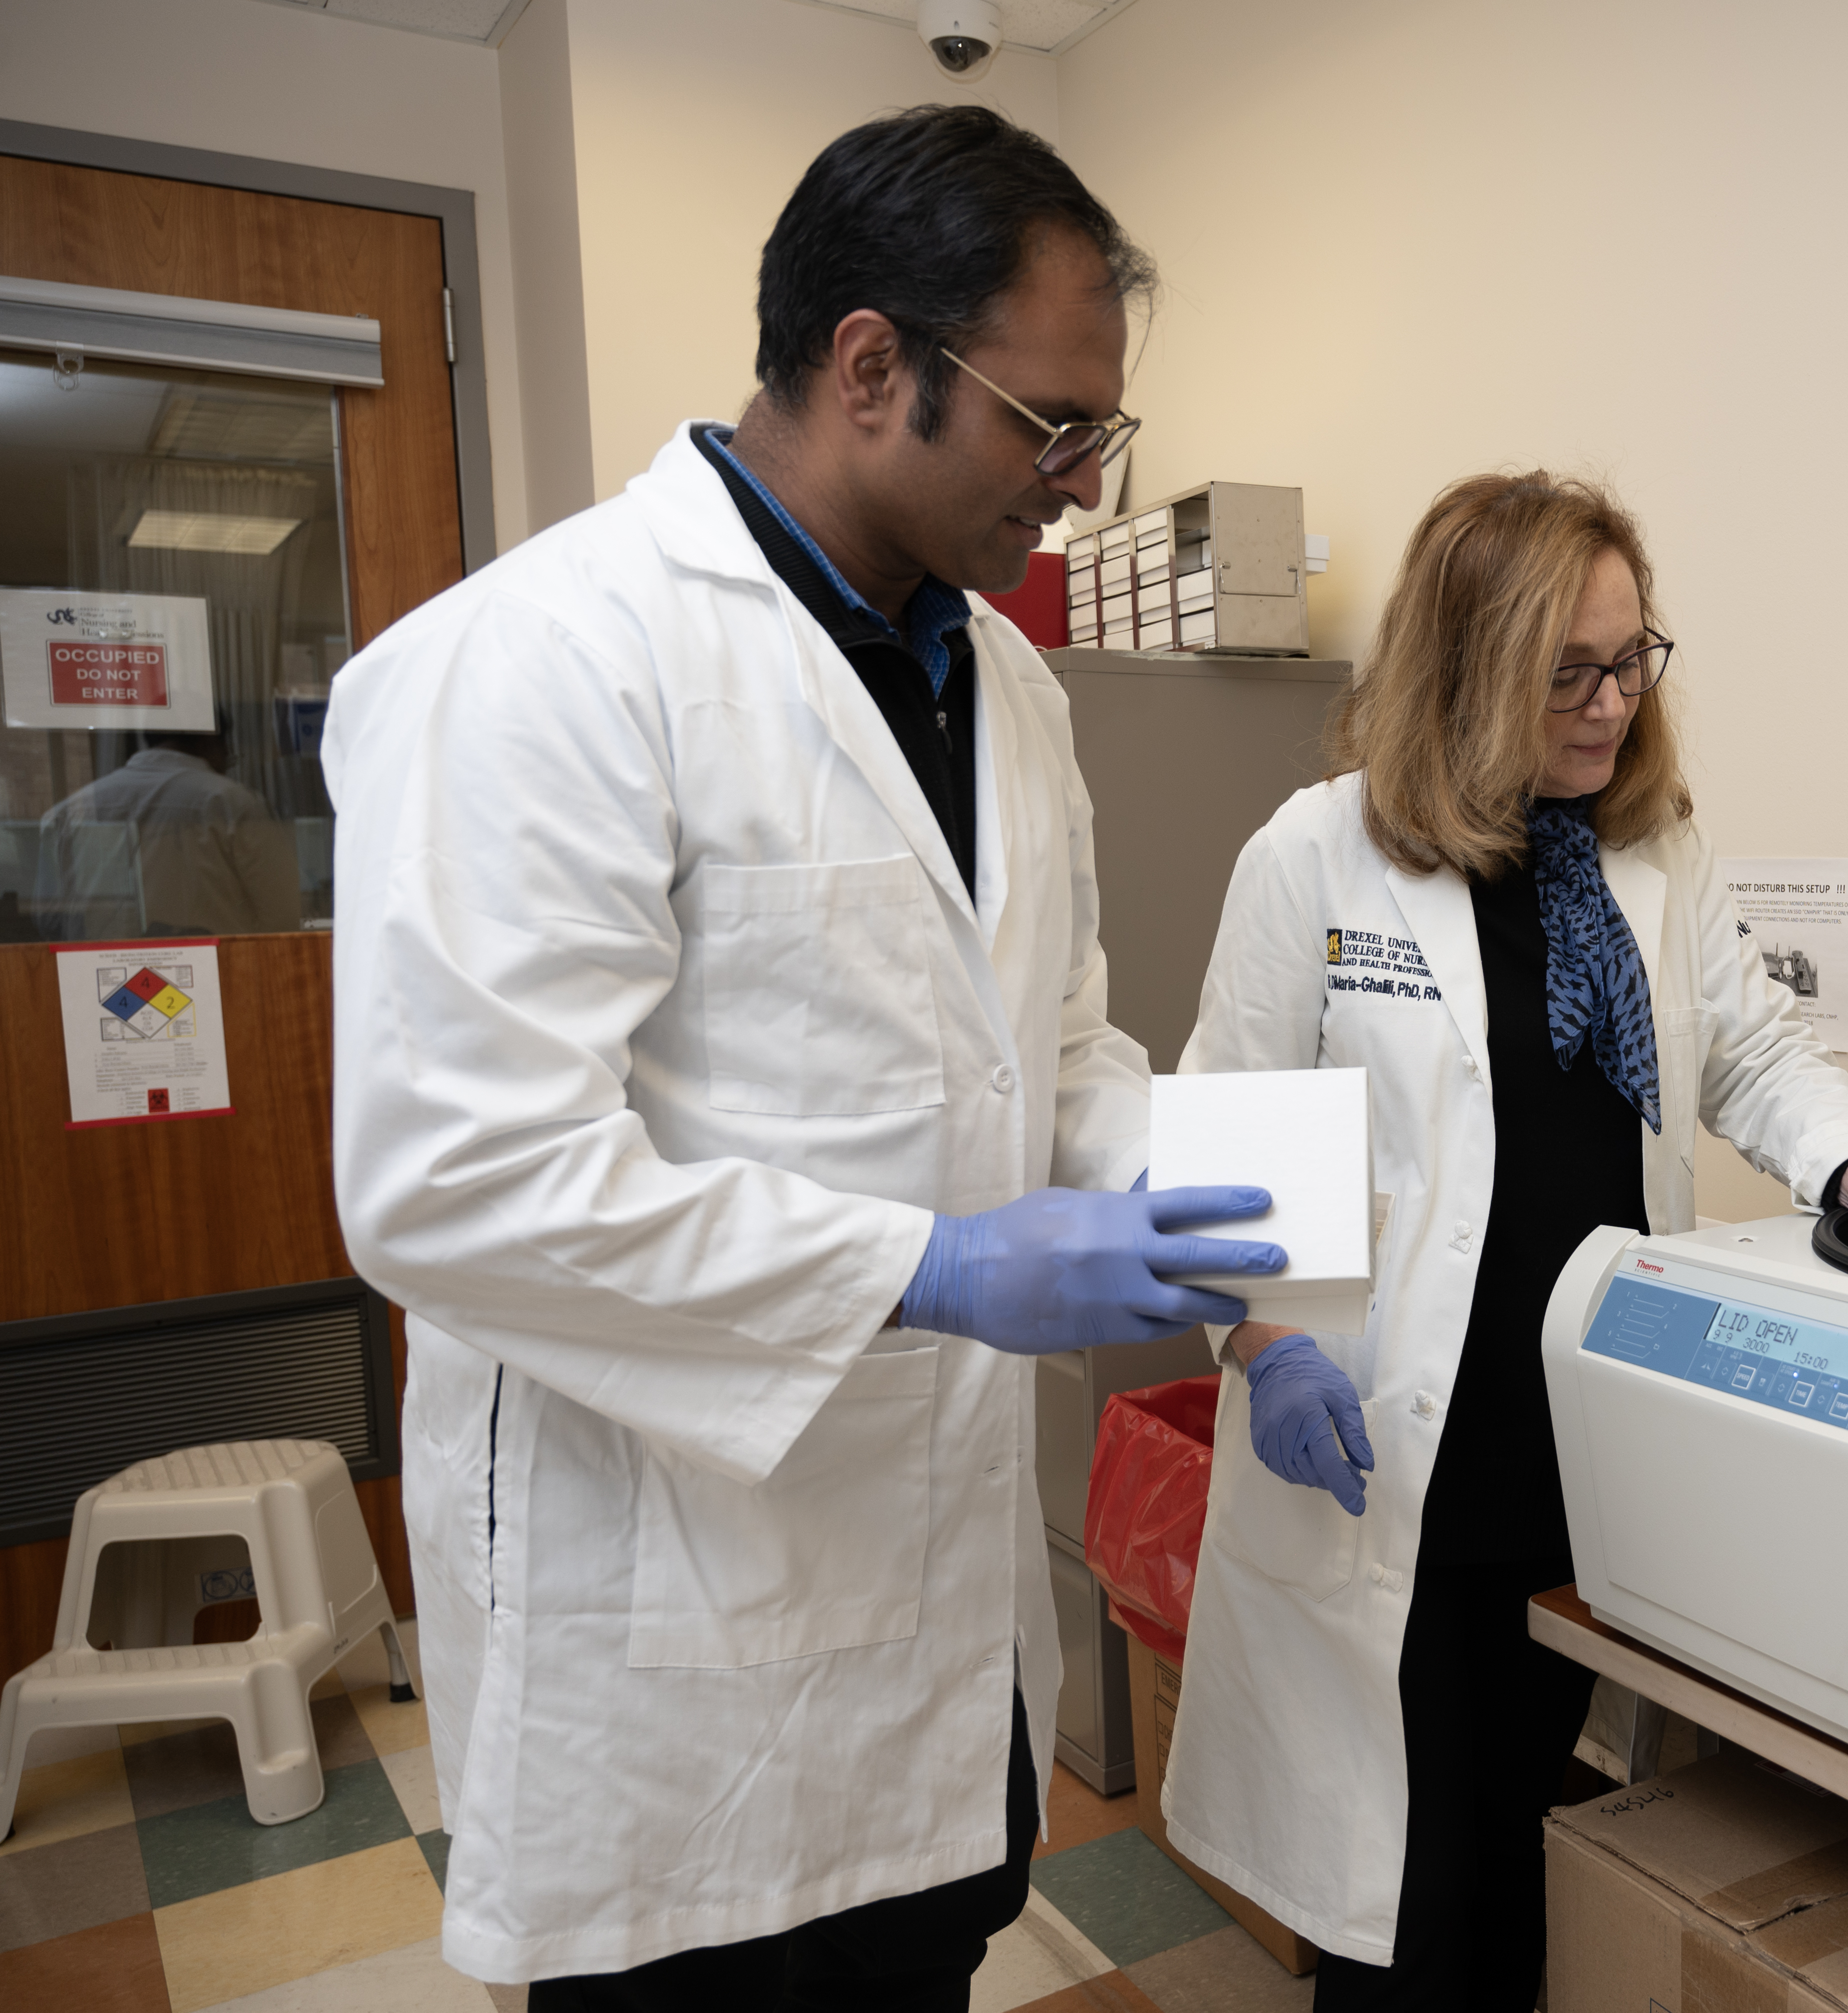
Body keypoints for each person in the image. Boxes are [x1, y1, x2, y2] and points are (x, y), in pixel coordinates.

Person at [326, 108, 1286, 2008]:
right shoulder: (546, 658)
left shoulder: (1004, 681)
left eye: (1106, 435)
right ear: (871, 366)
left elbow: (1063, 1039)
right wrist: (932, 1264)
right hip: (675, 1651)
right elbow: (457, 1180)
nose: (1081, 487)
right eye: (1051, 424)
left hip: (933, 1640)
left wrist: (1262, 1245)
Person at [1161, 472, 1848, 2005]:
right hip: (1386, 1460)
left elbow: (1752, 1051)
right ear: (1462, 672)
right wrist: (1259, 1347)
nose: (1611, 706)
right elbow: (1229, 1156)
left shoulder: (1651, 852)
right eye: (1569, 674)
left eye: (1633, 659)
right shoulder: (1317, 860)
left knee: (1539, 1861)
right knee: (1407, 1906)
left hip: (1584, 1447)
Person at [38, 723, 300, 935]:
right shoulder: (231, 802)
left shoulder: (70, 811)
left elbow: (49, 919)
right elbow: (283, 913)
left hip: (97, 979)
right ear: (213, 742)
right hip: (219, 975)